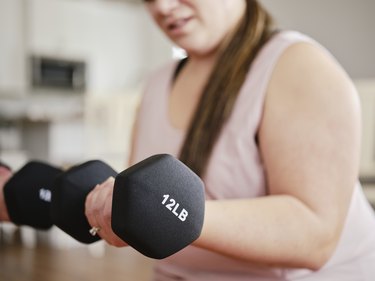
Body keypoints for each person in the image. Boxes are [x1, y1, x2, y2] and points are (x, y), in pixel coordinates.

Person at [85, 0, 375, 280]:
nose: (161, 6)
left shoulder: (299, 65)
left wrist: (175, 214)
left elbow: (316, 237)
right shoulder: (156, 83)